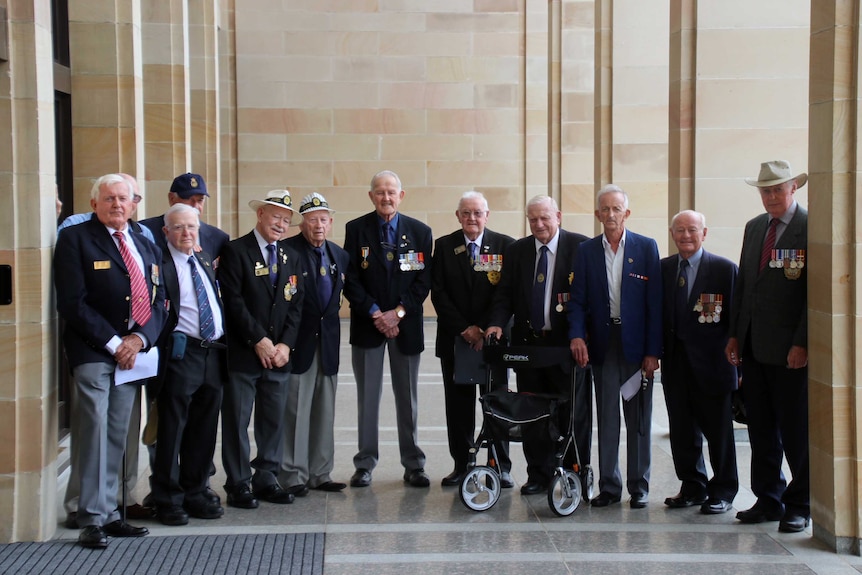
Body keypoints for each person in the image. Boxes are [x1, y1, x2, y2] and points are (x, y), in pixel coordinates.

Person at [54, 173, 167, 548]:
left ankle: (113, 511)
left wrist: (138, 339)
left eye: (123, 198)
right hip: (93, 351)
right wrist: (114, 341)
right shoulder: (75, 238)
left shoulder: (144, 242)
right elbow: (73, 302)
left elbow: (158, 301)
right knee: (93, 429)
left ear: (134, 204)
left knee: (120, 431)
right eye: (109, 198)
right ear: (94, 204)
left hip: (133, 355)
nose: (117, 204)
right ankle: (89, 517)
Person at [486, 195, 591, 495]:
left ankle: (576, 471)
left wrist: (581, 336)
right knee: (532, 411)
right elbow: (504, 294)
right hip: (528, 347)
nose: (539, 224)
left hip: (567, 348)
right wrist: (496, 322)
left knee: (573, 412)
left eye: (545, 217)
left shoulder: (580, 247)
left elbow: (588, 299)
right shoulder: (518, 250)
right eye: (533, 219)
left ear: (558, 215)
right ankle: (538, 474)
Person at [725, 160, 809, 533]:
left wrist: (802, 342)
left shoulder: (810, 227)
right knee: (760, 429)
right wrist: (734, 336)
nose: (771, 196)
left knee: (795, 431)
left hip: (791, 353)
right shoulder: (755, 227)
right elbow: (744, 286)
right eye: (765, 190)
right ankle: (768, 498)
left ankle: (800, 503)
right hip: (754, 349)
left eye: (778, 189)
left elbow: (815, 294)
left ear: (793, 189)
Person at [568, 184, 661, 509]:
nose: (610, 214)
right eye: (604, 209)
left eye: (616, 209)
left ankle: (639, 486)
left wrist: (653, 352)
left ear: (627, 213)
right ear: (597, 215)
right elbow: (577, 300)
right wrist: (576, 336)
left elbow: (655, 305)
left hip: (637, 350)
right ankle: (609, 485)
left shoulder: (646, 248)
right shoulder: (586, 251)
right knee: (607, 418)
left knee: (638, 421)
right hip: (604, 347)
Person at [342, 170, 433, 488]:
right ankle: (365, 463)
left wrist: (397, 313)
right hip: (369, 326)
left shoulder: (420, 232)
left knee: (407, 398)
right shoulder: (356, 229)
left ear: (401, 195)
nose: (386, 197)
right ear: (371, 196)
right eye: (379, 192)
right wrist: (376, 314)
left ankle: (413, 464)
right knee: (368, 398)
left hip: (405, 327)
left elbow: (423, 280)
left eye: (391, 192)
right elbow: (350, 278)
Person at [218, 190, 304, 508]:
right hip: (244, 353)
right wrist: (259, 340)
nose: (280, 224)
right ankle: (238, 482)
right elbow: (233, 301)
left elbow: (296, 305)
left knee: (273, 420)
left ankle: (267, 476)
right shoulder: (236, 251)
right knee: (237, 421)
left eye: (285, 219)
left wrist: (285, 345)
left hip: (279, 356)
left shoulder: (290, 256)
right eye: (275, 217)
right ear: (260, 215)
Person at [431, 191, 515, 488]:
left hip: (493, 342)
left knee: (497, 404)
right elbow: (438, 293)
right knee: (458, 408)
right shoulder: (443, 246)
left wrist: (485, 327)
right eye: (466, 213)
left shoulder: (506, 246)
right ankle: (462, 463)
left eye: (477, 213)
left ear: (487, 215)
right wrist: (465, 328)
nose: (472, 218)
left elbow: (506, 293)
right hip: (456, 340)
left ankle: (500, 464)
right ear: (458, 216)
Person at [150, 204, 226, 525]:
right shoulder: (160, 262)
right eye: (179, 228)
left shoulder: (203, 258)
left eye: (191, 228)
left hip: (212, 352)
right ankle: (167, 497)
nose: (186, 233)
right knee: (172, 427)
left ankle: (195, 490)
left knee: (205, 427)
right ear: (166, 232)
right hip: (181, 354)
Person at [660, 210, 739, 514]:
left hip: (714, 367)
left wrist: (739, 367)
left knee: (719, 433)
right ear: (672, 234)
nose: (685, 236)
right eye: (679, 230)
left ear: (704, 233)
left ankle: (723, 490)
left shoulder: (723, 270)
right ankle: (693, 486)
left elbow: (735, 320)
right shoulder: (664, 269)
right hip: (676, 366)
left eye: (692, 230)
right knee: (682, 432)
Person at [279, 192, 349, 495]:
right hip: (298, 343)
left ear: (331, 223)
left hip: (328, 344)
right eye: (311, 220)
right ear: (301, 224)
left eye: (323, 219)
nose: (318, 225)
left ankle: (320, 472)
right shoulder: (286, 252)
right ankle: (292, 475)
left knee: (324, 410)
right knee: (295, 410)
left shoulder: (339, 254)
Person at [139, 172, 230, 262]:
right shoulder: (144, 231)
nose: (195, 206)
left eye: (200, 200)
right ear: (172, 198)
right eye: (188, 199)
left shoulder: (218, 238)